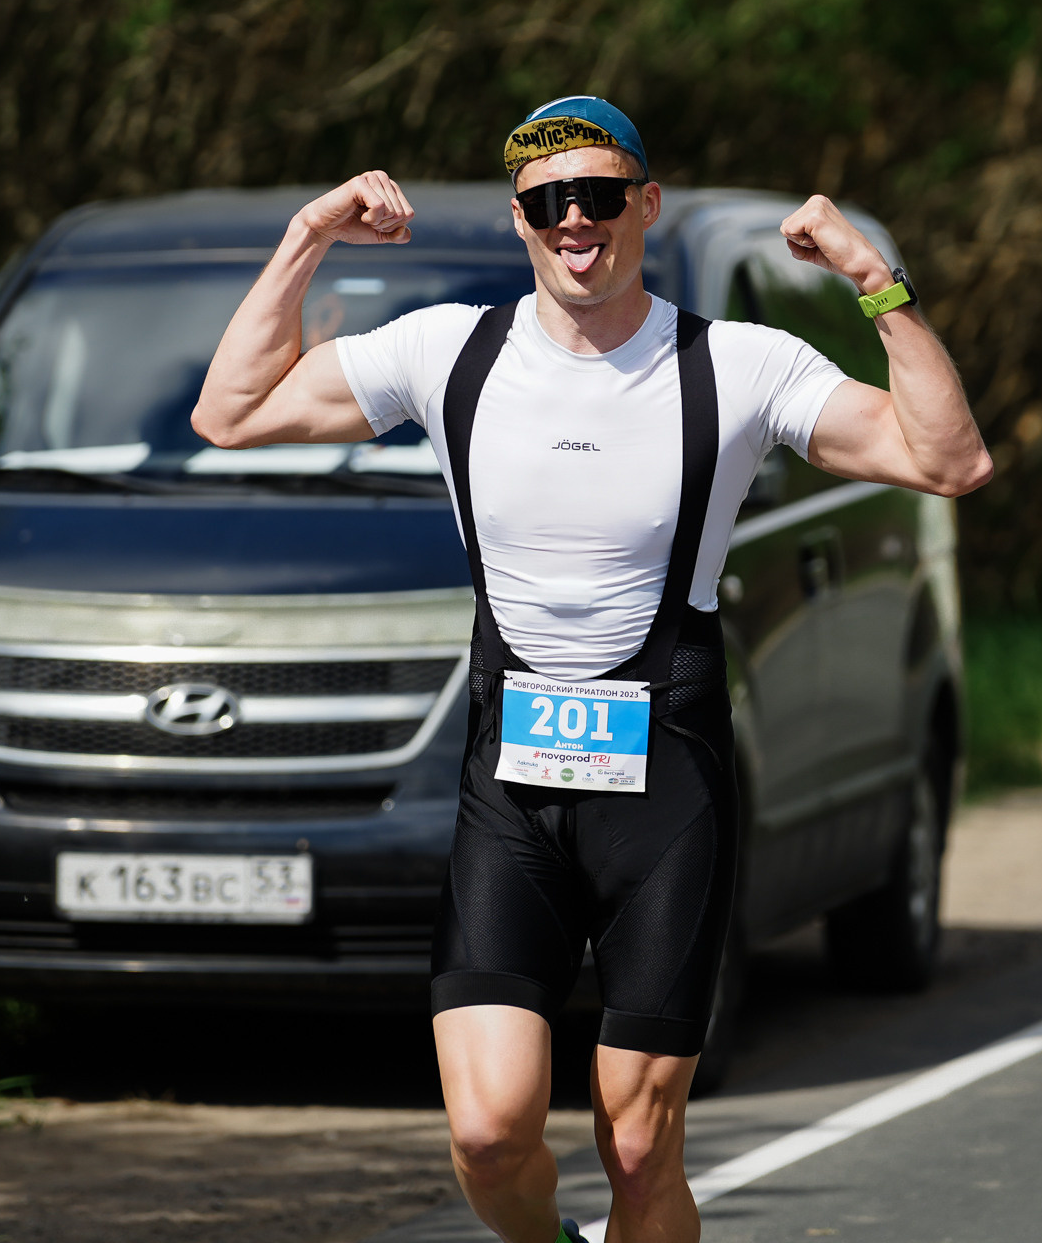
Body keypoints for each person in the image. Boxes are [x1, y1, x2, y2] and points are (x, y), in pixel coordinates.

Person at [190, 96, 992, 1243]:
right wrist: (307, 235)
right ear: (520, 220)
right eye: (549, 202)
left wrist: (875, 280)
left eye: (601, 195)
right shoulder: (448, 351)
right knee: (488, 1132)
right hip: (510, 793)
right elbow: (229, 414)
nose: (576, 220)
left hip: (666, 791)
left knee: (637, 1144)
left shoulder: (737, 364)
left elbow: (949, 459)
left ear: (645, 206)